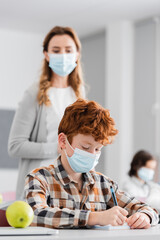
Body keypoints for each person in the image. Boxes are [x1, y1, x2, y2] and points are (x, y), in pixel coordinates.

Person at [24, 99, 158, 229]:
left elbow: (149, 210)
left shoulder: (104, 184)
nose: (92, 154)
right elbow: (35, 215)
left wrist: (145, 216)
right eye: (86, 147)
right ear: (63, 141)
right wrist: (94, 217)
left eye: (98, 149)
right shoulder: (39, 178)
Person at [8, 26, 85, 200]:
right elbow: (15, 146)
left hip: (70, 188)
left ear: (77, 54)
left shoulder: (79, 95)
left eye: (68, 50)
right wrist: (57, 148)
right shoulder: (34, 94)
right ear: (46, 54)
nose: (63, 55)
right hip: (39, 186)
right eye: (56, 50)